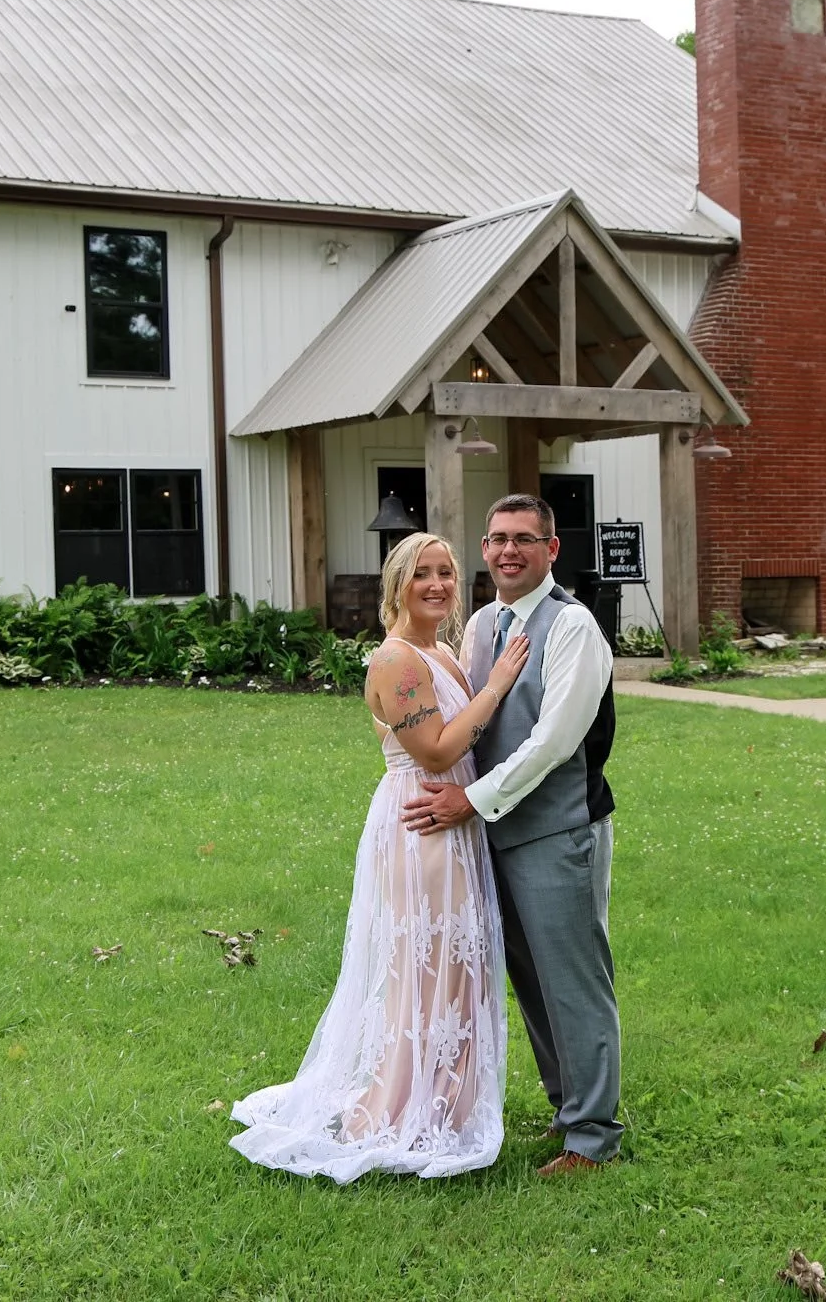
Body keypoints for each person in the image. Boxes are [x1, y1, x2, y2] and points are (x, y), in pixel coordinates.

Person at [230, 532, 531, 1182]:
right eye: (421, 573)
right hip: (420, 822)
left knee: (459, 963)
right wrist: (500, 681)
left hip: (455, 821)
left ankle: (449, 1099)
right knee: (428, 967)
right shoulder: (394, 661)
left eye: (446, 572)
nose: (437, 584)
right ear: (396, 584)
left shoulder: (441, 649)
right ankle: (406, 1104)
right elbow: (437, 750)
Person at [400, 494, 622, 1178]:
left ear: (551, 550)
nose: (507, 551)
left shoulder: (573, 626)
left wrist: (470, 798)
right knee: (530, 979)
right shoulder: (483, 625)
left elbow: (554, 739)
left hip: (557, 829)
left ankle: (593, 1136)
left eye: (525, 539)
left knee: (574, 980)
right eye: (497, 538)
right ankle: (568, 1105)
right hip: (492, 833)